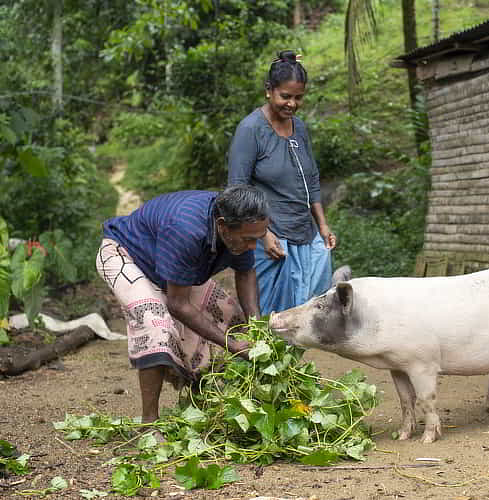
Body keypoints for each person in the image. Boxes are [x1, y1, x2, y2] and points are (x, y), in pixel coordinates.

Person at [96, 185, 269, 431]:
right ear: (222, 226)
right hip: (126, 257)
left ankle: (204, 401)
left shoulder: (240, 227)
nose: (253, 246)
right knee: (155, 324)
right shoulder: (185, 229)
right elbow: (178, 305)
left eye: (258, 239)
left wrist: (255, 323)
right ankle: (149, 424)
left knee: (229, 314)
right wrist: (230, 345)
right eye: (249, 239)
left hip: (170, 269)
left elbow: (245, 271)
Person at [227, 49, 337, 315]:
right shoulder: (251, 130)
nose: (292, 104)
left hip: (305, 232)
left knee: (303, 317)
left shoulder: (299, 127)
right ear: (269, 90)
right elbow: (236, 190)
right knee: (270, 316)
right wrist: (264, 235)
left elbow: (311, 177)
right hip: (272, 239)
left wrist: (322, 225)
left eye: (299, 97)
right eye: (285, 96)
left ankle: (290, 358)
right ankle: (257, 356)